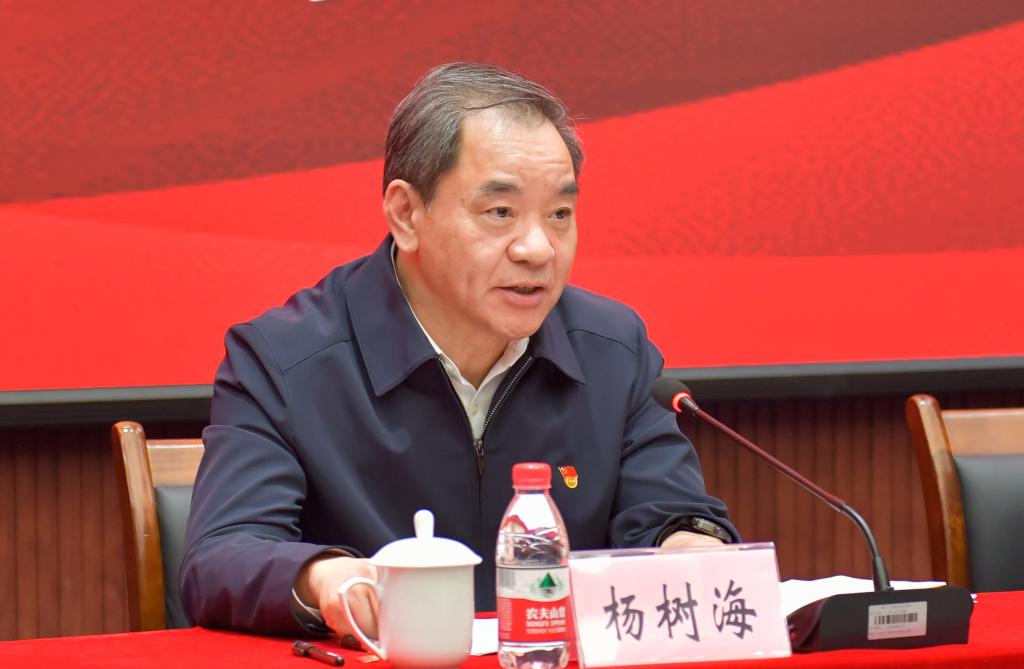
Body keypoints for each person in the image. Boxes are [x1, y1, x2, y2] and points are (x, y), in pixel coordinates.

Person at [180, 62, 737, 638]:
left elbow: (670, 514)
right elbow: (221, 556)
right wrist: (326, 578)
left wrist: (691, 548)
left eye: (559, 214)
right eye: (500, 213)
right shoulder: (285, 360)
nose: (538, 248)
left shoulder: (612, 349)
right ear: (406, 214)